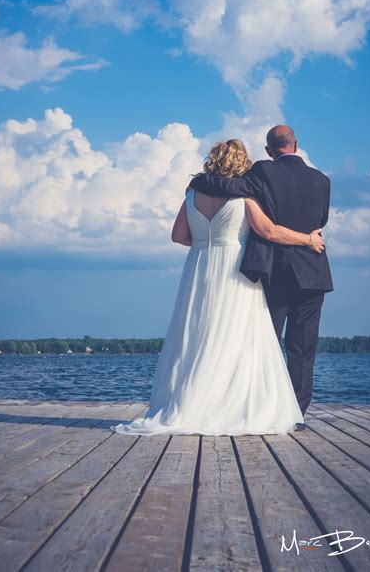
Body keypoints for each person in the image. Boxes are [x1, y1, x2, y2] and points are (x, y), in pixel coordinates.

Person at [111, 138, 324, 437]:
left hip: (199, 267)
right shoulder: (245, 197)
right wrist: (309, 240)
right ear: (242, 163)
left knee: (197, 335)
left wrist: (204, 244)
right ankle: (228, 404)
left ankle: (190, 401)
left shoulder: (192, 196)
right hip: (233, 268)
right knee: (235, 337)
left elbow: (178, 236)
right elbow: (269, 231)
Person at [187, 126, 333, 424]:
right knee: (302, 350)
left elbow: (229, 188)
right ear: (297, 144)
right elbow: (321, 221)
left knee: (263, 344)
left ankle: (260, 407)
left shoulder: (263, 171)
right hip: (312, 269)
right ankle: (296, 415)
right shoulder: (322, 180)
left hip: (273, 269)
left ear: (268, 150)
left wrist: (199, 181)